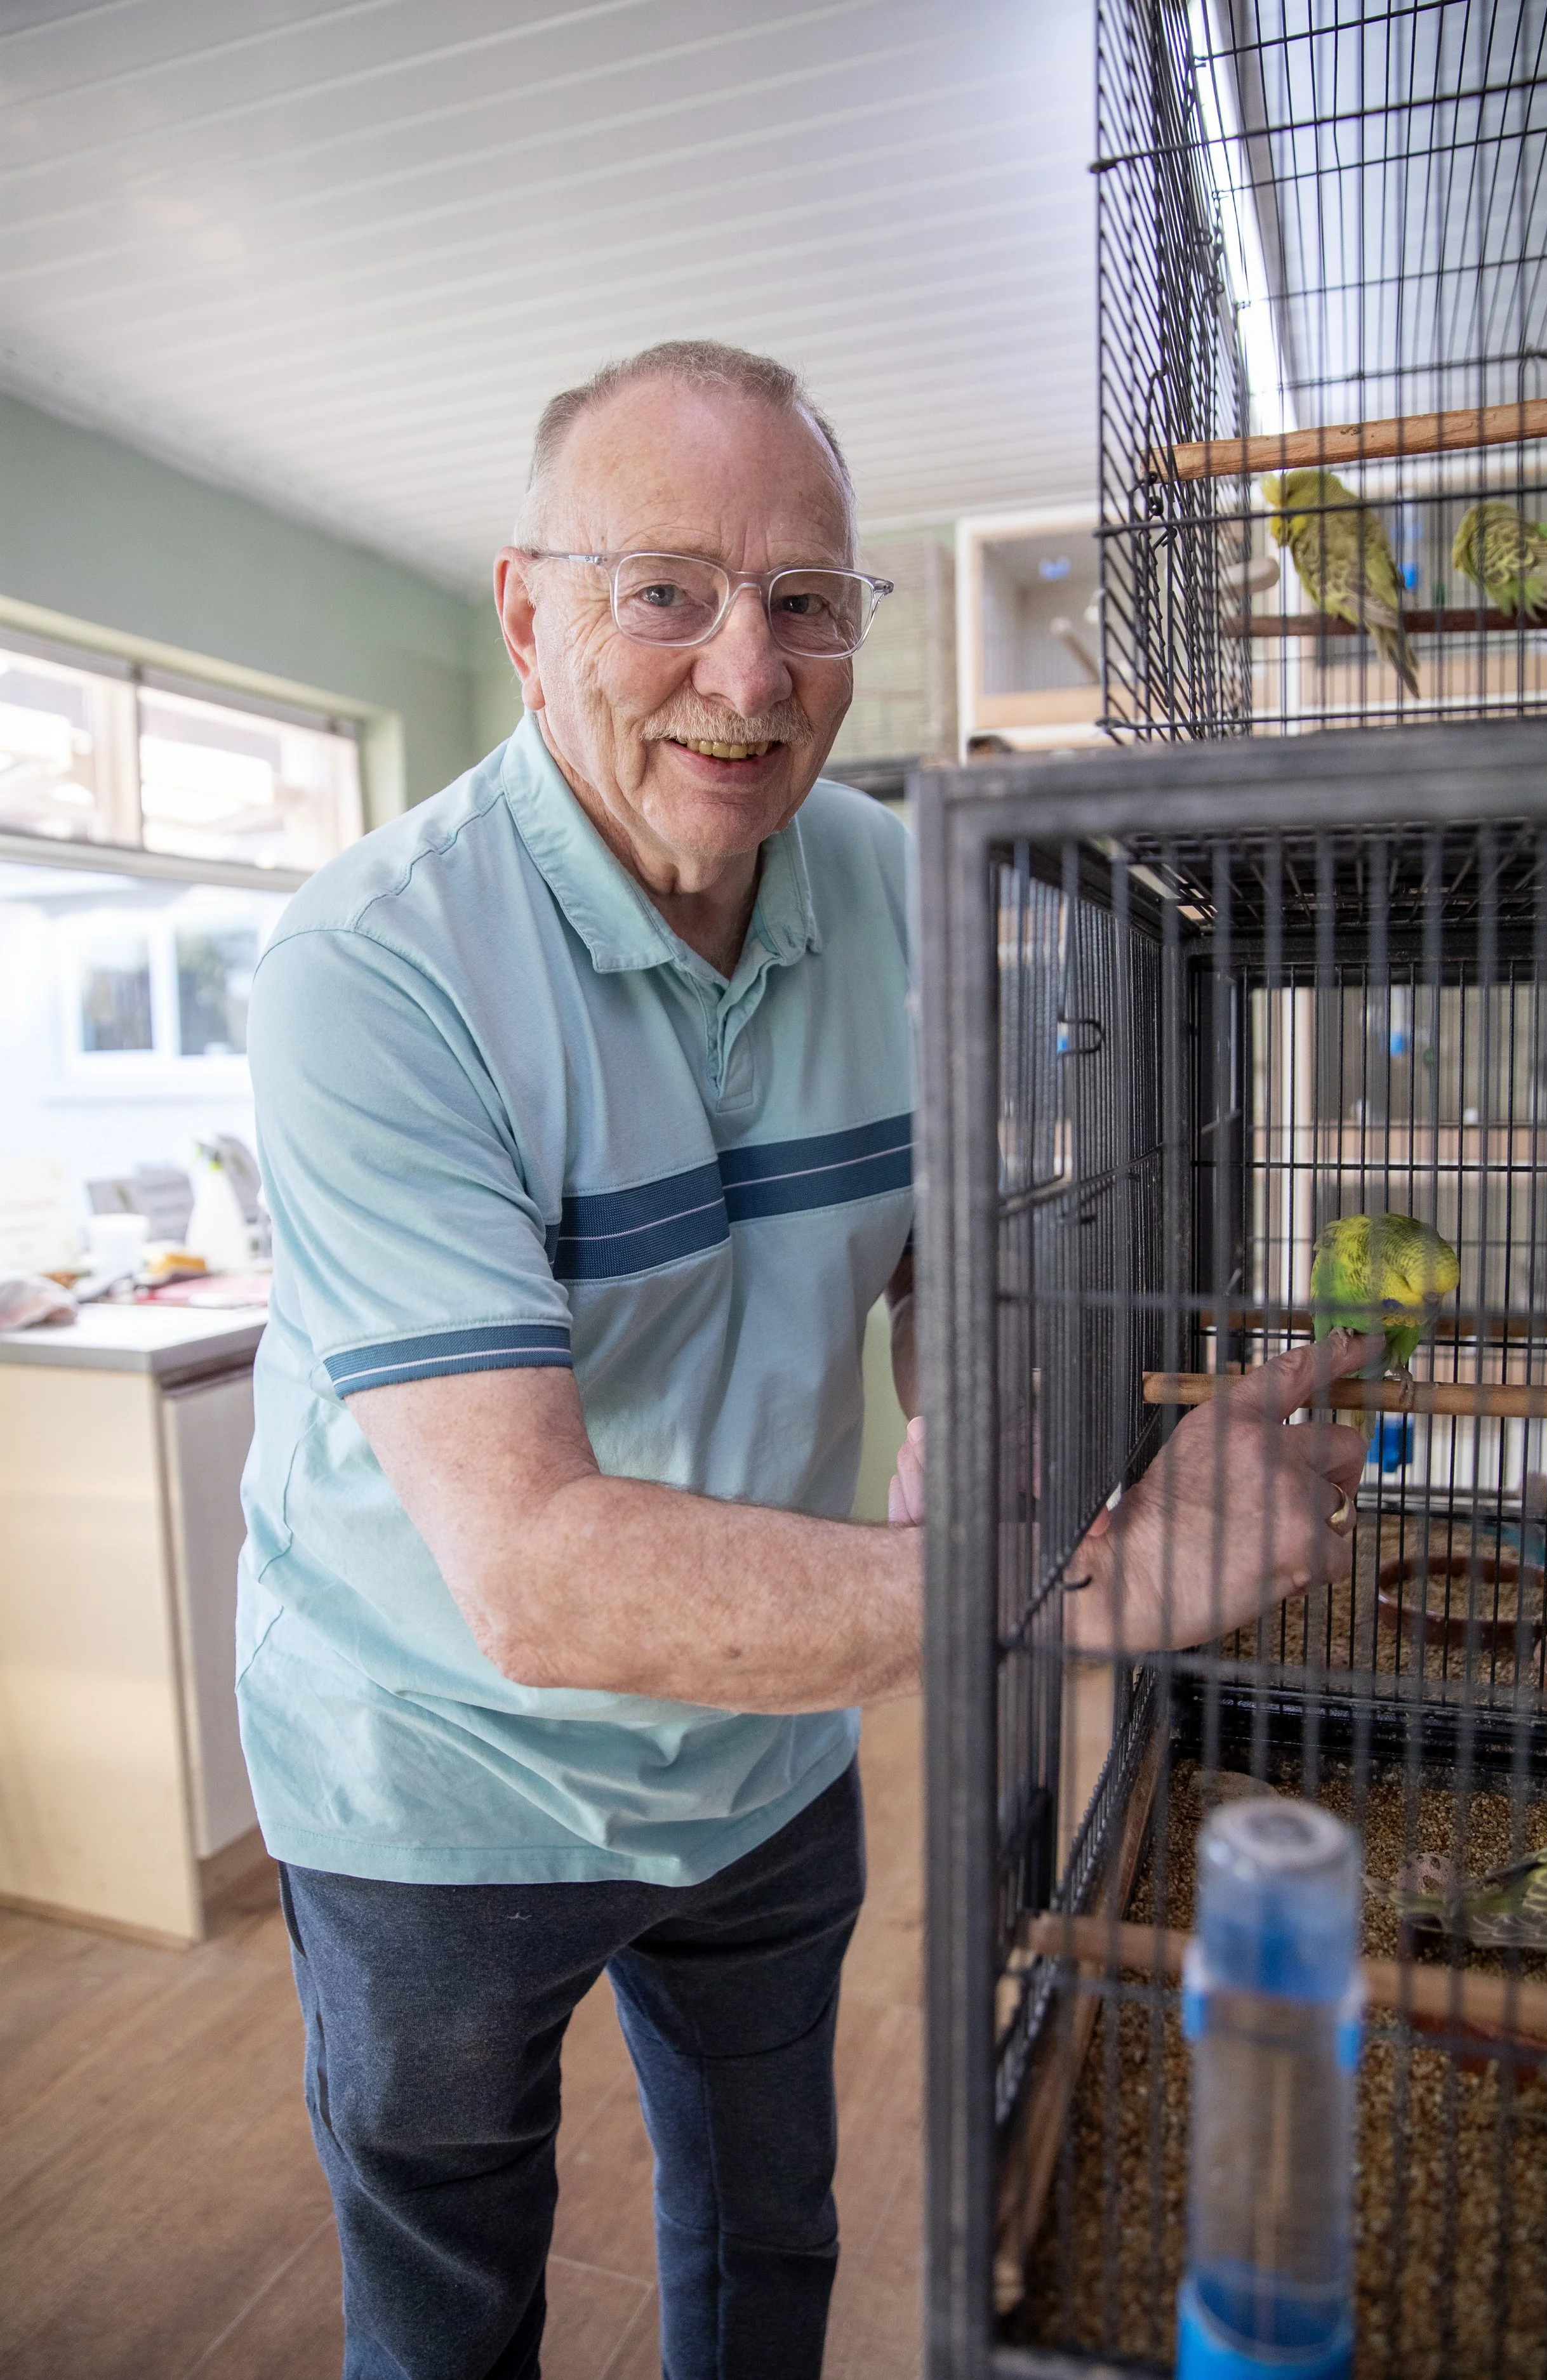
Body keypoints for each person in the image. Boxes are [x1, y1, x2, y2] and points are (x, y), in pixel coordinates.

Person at [238, 338, 1368, 2380]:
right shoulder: (371, 972)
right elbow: (538, 1575)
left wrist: (976, 1414)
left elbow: (946, 1258)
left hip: (768, 1743)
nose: (747, 678)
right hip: (427, 1778)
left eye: (806, 602)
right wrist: (1081, 1579)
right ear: (524, 611)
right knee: (445, 2304)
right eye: (663, 587)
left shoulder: (906, 887)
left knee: (769, 2240)